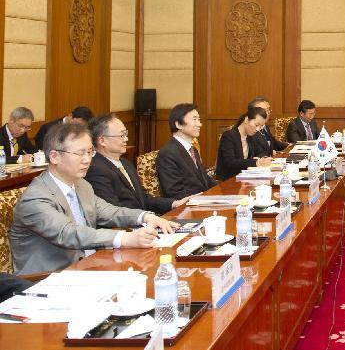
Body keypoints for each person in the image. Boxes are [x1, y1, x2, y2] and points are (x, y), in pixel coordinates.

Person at [9, 123, 176, 274]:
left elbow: (109, 211)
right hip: (48, 280)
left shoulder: (81, 185)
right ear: (54, 156)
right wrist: (124, 239)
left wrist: (145, 216)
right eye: (80, 153)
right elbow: (69, 233)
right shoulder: (35, 197)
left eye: (90, 152)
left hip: (88, 267)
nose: (87, 159)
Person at [85, 113, 193, 214]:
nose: (126, 139)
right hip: (127, 229)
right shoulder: (95, 169)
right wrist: (145, 218)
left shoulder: (126, 163)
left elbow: (144, 199)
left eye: (126, 134)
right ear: (102, 140)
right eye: (121, 135)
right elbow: (114, 212)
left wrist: (174, 203)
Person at [157, 103, 218, 200]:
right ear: (178, 124)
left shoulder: (192, 149)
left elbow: (205, 180)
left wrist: (225, 187)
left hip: (203, 201)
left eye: (199, 120)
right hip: (188, 208)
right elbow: (175, 193)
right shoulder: (167, 154)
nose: (200, 124)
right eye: (194, 119)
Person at [216, 107, 274, 181]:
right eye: (256, 125)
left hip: (245, 179)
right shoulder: (229, 136)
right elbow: (230, 162)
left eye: (260, 127)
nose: (257, 129)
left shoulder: (251, 137)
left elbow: (262, 152)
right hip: (229, 180)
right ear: (246, 120)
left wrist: (258, 158)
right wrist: (255, 162)